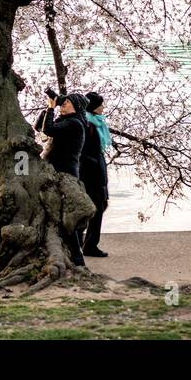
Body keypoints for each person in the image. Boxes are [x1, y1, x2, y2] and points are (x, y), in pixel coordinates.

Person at [35, 91, 88, 266]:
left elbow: (49, 129)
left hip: (66, 173)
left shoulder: (74, 123)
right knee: (57, 214)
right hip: (56, 171)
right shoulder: (65, 121)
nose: (63, 104)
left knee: (67, 217)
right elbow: (40, 128)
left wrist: (52, 108)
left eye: (67, 103)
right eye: (63, 102)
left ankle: (78, 258)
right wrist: (48, 108)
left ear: (76, 106)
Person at [79, 91, 111, 258]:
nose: (103, 108)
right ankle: (88, 245)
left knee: (101, 205)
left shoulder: (96, 123)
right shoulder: (88, 125)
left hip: (97, 171)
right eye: (100, 105)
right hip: (90, 174)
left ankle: (84, 242)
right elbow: (82, 151)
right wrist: (94, 164)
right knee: (95, 208)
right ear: (93, 107)